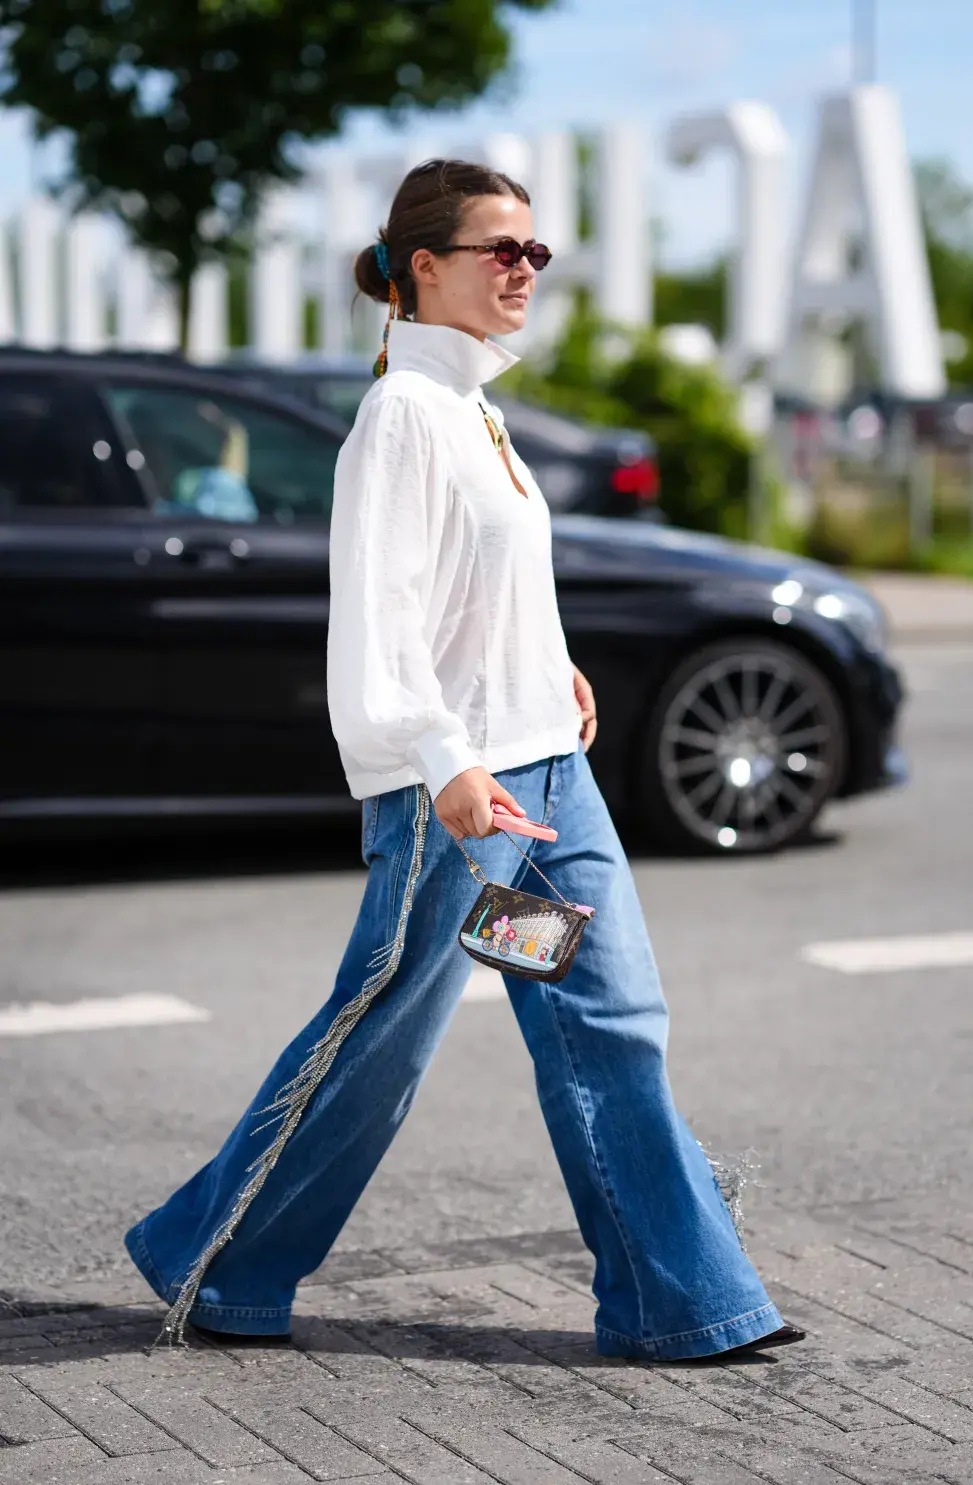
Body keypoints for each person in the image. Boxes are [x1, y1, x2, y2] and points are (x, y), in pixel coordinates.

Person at [124, 157, 804, 1362]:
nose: (524, 271)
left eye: (535, 253)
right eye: (500, 249)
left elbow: (478, 590)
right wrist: (443, 767)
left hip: (547, 782)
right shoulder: (401, 416)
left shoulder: (474, 409)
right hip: (465, 803)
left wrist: (553, 669)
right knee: (384, 1038)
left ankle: (676, 1301)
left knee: (606, 1016)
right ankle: (212, 1260)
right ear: (419, 267)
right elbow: (380, 623)